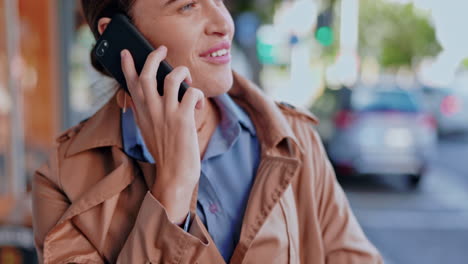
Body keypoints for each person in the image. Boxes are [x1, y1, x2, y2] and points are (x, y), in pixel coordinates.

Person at [32, 0, 383, 263]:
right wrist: (172, 187)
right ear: (120, 36)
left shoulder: (293, 138)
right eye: (187, 5)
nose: (223, 23)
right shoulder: (62, 182)